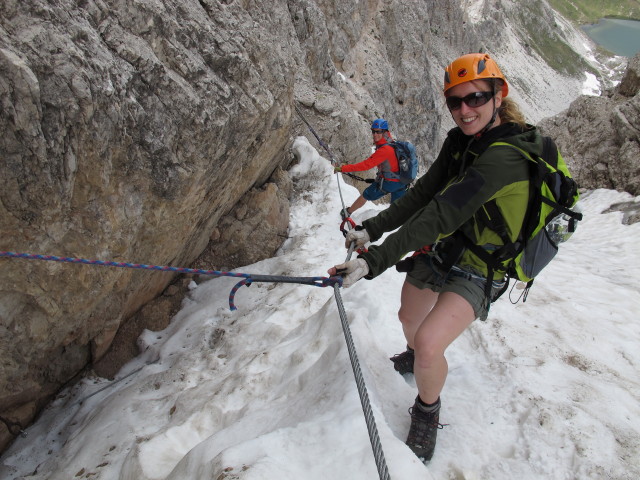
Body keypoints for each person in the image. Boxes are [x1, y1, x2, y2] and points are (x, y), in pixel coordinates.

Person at [328, 53, 537, 463]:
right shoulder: (460, 141)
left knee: (426, 344)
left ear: (500, 94)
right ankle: (419, 356)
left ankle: (427, 409)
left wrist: (374, 259)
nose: (464, 110)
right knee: (409, 318)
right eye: (454, 102)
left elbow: (441, 214)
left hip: (483, 264)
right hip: (448, 246)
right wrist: (373, 228)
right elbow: (424, 194)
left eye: (476, 97)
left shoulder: (506, 156)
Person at [334, 118, 408, 219]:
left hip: (390, 182)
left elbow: (365, 165)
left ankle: (348, 212)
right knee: (396, 208)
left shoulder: (384, 150)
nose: (375, 134)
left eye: (378, 132)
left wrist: (342, 169)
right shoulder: (392, 144)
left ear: (385, 132)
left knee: (366, 194)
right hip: (402, 181)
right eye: (373, 131)